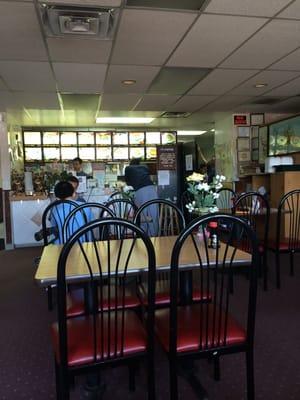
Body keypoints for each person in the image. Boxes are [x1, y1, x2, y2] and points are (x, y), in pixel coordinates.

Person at [125, 158, 158, 235]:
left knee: (142, 215)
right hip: (151, 190)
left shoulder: (129, 169)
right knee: (152, 215)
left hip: (140, 191)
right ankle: (153, 235)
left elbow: (128, 182)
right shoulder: (145, 169)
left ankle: (143, 236)